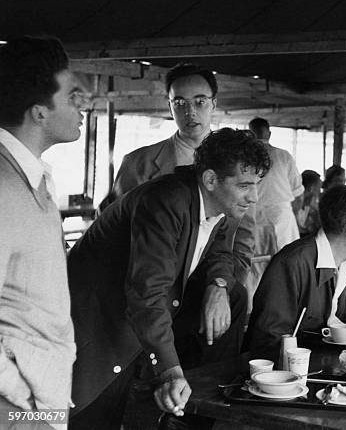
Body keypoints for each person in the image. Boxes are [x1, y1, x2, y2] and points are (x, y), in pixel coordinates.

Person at [67, 129, 270, 429]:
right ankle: (173, 385)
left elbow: (221, 251)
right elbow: (146, 294)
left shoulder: (220, 206)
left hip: (147, 308)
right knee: (90, 418)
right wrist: (170, 370)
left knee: (235, 296)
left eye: (256, 185)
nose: (253, 197)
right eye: (244, 186)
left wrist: (219, 285)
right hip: (98, 320)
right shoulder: (166, 200)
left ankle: (197, 406)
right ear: (211, 180)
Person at [109, 63, 254, 293]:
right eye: (180, 103)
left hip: (210, 287)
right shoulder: (139, 163)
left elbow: (242, 237)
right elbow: (114, 227)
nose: (190, 112)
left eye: (200, 102)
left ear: (214, 103)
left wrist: (223, 287)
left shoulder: (240, 163)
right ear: (169, 106)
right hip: (151, 287)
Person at [0, 36, 84, 425]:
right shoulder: (3, 187)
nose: (82, 105)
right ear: (39, 112)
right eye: (72, 97)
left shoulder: (32, 179)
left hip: (40, 395)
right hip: (17, 405)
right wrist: (22, 402)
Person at [244, 185, 346, 359]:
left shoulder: (343, 264)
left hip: (319, 363)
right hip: (284, 375)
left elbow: (327, 325)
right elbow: (268, 339)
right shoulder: (293, 263)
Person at [248, 117, 303, 254]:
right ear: (269, 134)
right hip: (281, 214)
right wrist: (296, 217)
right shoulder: (284, 156)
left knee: (257, 259)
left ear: (250, 134)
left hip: (254, 213)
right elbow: (298, 192)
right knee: (286, 257)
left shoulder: (245, 156)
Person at [296, 169, 322, 237]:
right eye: (319, 188)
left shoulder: (310, 205)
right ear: (311, 188)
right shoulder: (294, 204)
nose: (320, 192)